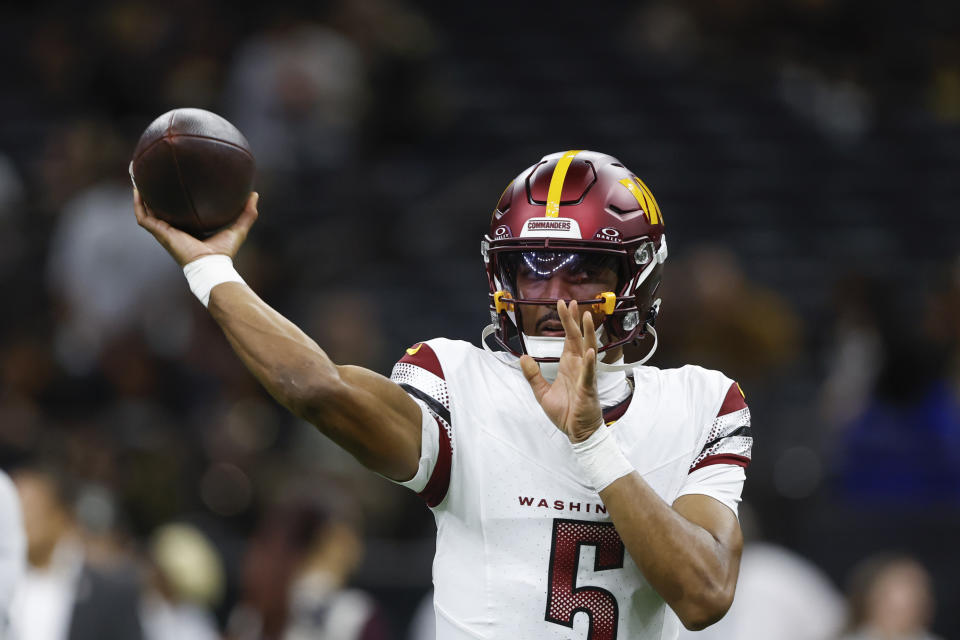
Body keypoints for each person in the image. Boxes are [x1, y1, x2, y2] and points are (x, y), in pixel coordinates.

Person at [133, 150, 753, 639]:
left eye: (583, 269)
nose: (552, 297)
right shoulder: (456, 380)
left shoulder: (704, 402)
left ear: (637, 276)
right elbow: (317, 388)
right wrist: (212, 268)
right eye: (530, 269)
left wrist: (592, 442)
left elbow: (703, 596)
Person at [8, 468, 143, 640]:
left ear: (59, 515)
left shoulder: (109, 591)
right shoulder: (6, 582)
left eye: (28, 508)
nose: (18, 519)